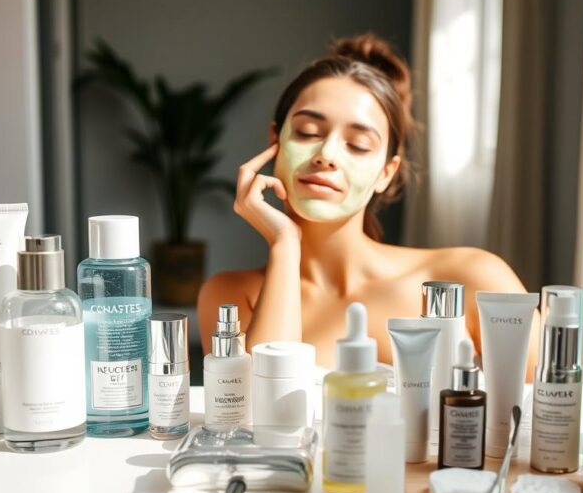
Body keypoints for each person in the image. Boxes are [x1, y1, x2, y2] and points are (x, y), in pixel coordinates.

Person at [198, 33, 536, 373]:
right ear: (276, 141)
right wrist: (285, 246)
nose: (326, 155)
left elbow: (552, 411)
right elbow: (256, 413)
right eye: (308, 131)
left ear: (386, 173)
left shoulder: (471, 276)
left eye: (358, 144)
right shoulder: (230, 294)